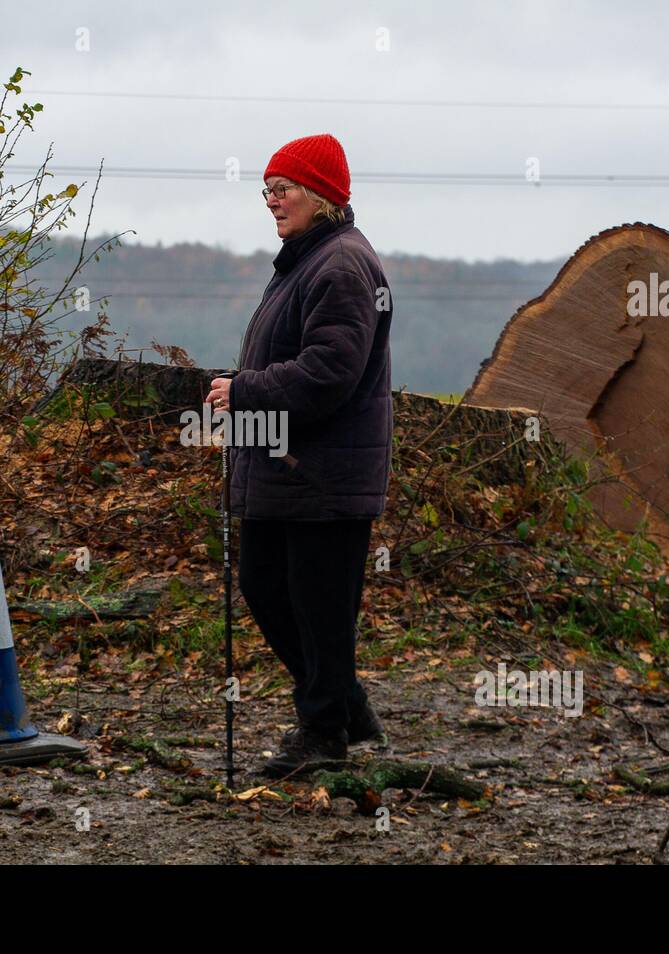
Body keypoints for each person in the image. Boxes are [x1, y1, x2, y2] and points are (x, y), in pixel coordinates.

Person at [204, 133, 393, 777]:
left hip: (325, 477)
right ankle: (345, 705)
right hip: (285, 471)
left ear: (320, 195)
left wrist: (247, 389)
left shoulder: (340, 265)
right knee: (266, 586)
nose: (271, 202)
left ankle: (324, 733)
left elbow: (330, 371)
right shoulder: (306, 260)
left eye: (281, 190)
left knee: (319, 606)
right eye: (267, 190)